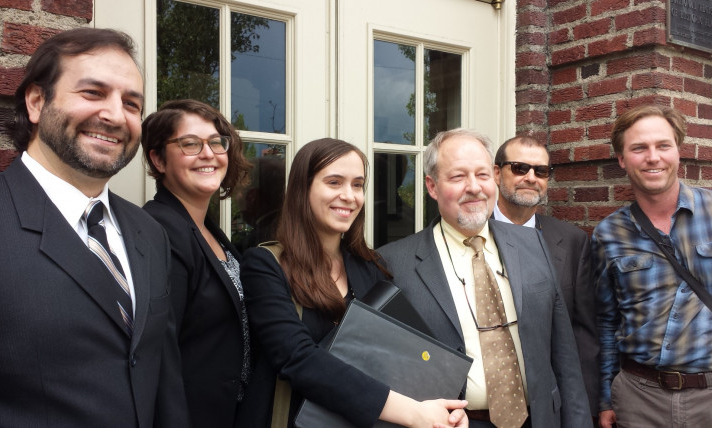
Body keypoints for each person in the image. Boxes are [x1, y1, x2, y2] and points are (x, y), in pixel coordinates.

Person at [0, 28, 187, 426]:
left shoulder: (148, 232)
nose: (113, 115)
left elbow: (164, 381)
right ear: (37, 102)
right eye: (93, 93)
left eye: (131, 103)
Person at [239, 138, 469, 428]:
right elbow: (297, 358)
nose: (349, 195)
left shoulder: (371, 268)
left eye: (357, 184)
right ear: (302, 189)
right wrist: (413, 413)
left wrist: (443, 408)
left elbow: (399, 358)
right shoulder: (265, 265)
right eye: (334, 182)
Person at [379, 128, 592, 428]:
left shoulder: (532, 244)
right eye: (457, 177)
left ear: (493, 177)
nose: (474, 188)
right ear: (432, 186)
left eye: (481, 175)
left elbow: (564, 357)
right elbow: (388, 368)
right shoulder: (394, 264)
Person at [593, 105, 712, 428]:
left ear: (678, 151)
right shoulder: (608, 233)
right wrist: (606, 398)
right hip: (639, 398)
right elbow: (606, 321)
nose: (653, 157)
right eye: (639, 148)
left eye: (663, 145)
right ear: (622, 159)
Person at [141, 99, 253, 426]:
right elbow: (159, 357)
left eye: (217, 142)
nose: (209, 153)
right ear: (158, 159)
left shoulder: (209, 230)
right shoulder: (159, 232)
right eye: (190, 144)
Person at [492, 136, 599, 417]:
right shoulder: (473, 233)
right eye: (519, 168)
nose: (531, 178)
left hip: (549, 406)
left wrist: (583, 411)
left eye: (540, 171)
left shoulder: (572, 241)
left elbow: (583, 336)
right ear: (495, 173)